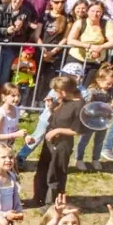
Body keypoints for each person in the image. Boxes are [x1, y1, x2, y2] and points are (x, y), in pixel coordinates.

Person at [32, 76, 82, 207]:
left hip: (62, 144)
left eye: (57, 90)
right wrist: (50, 107)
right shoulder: (62, 101)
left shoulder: (79, 106)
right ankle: (39, 197)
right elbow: (56, 118)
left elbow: (77, 130)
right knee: (43, 169)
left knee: (56, 172)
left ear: (64, 91)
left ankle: (52, 203)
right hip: (50, 141)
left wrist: (57, 131)